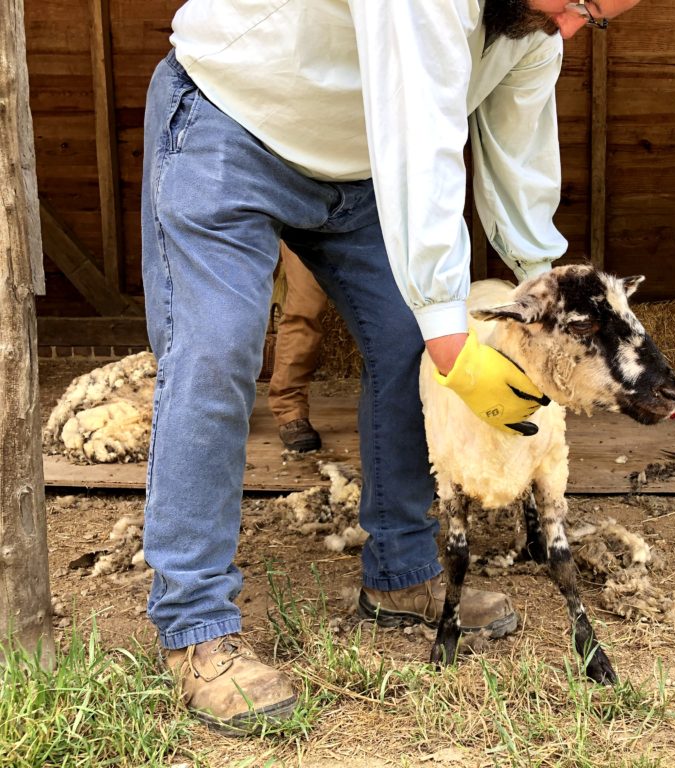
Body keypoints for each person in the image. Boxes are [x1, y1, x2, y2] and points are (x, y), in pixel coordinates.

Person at [141, 0, 643, 733]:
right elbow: (422, 134)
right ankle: (193, 627)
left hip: (364, 173)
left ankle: (401, 577)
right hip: (232, 119)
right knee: (216, 352)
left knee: (411, 349)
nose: (571, 26)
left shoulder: (535, 29)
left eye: (596, 17)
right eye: (580, 1)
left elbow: (518, 162)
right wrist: (448, 327)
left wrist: (548, 301)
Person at [268, 243, 329, 453]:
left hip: (311, 216)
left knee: (306, 306)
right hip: (260, 213)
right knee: (238, 305)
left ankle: (289, 409)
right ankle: (289, 409)